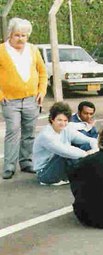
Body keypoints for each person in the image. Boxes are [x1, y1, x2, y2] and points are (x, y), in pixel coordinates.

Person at [0, 18, 47, 179]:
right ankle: (9, 166)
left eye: (24, 35)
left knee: (29, 132)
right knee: (13, 131)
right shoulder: (1, 50)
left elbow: (42, 72)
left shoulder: (33, 50)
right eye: (17, 35)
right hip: (10, 101)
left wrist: (41, 91)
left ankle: (26, 162)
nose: (20, 38)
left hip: (31, 100)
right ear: (10, 35)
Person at [33, 102, 98, 186]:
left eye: (65, 120)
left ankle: (82, 175)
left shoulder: (66, 129)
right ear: (52, 119)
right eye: (59, 120)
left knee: (85, 145)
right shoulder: (46, 135)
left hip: (57, 164)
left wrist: (95, 149)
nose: (63, 123)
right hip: (44, 173)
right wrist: (87, 154)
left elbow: (90, 140)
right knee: (68, 154)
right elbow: (65, 151)